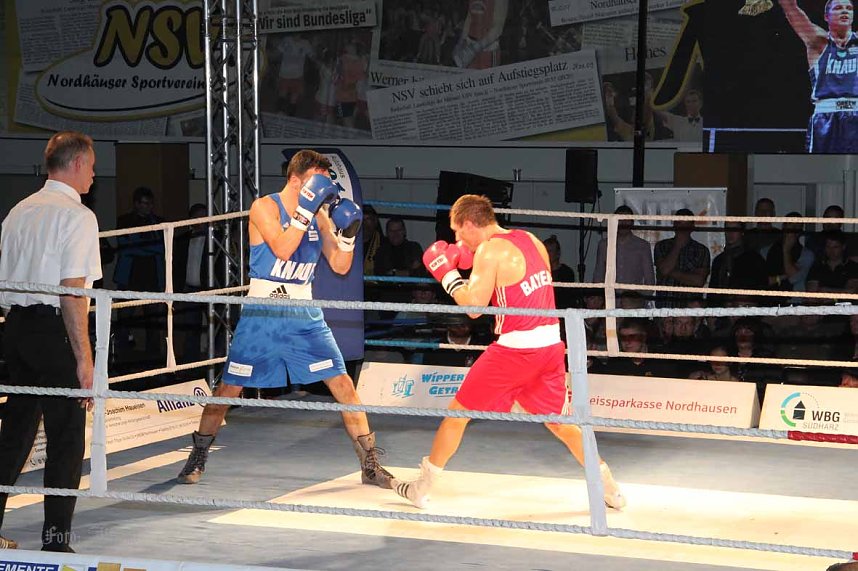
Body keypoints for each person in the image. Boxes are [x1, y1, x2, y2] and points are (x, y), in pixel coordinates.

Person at [391, 194, 625, 511]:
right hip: (550, 346)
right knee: (562, 424)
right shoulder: (531, 240)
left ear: (471, 223)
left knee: (456, 415)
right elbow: (523, 284)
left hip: (515, 350)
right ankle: (610, 488)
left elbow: (473, 307)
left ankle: (421, 489)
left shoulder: (489, 250)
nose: (458, 241)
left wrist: (447, 273)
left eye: (459, 233)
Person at [176, 150, 394, 489]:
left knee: (344, 385)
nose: (326, 188)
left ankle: (370, 465)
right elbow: (281, 248)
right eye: (320, 180)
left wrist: (348, 235)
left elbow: (339, 265)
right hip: (263, 314)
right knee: (228, 389)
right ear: (298, 178)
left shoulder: (320, 217)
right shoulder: (264, 207)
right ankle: (199, 453)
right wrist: (306, 210)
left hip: (304, 314)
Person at [0, 131, 101, 552]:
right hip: (53, 331)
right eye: (92, 166)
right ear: (76, 164)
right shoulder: (77, 216)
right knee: (66, 438)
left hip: (15, 330)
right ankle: (56, 541)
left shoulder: (19, 211)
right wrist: (85, 359)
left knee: (14, 435)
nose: (95, 176)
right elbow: (72, 290)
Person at [778, 0, 858, 153]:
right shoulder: (818, 42)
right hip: (825, 118)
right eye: (838, 8)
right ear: (827, 16)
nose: (845, 11)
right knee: (820, 170)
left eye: (849, 8)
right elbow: (790, 7)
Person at [113, 186, 166, 360]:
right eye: (144, 203)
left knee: (153, 324)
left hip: (152, 280)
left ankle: (154, 361)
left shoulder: (159, 222)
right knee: (124, 321)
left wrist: (140, 247)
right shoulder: (124, 221)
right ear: (136, 204)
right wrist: (147, 248)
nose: (147, 207)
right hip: (129, 279)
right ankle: (121, 360)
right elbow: (126, 247)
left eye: (150, 203)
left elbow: (162, 248)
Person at [653, 208, 711, 308]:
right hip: (665, 306)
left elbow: (699, 281)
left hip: (690, 308)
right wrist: (678, 246)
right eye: (680, 223)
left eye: (686, 224)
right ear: (674, 225)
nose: (683, 228)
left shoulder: (702, 250)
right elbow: (664, 270)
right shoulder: (661, 246)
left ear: (692, 226)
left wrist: (671, 272)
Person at [452, 0, 509, 69]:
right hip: (469, 47)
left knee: (485, 78)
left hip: (488, 50)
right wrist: (461, 41)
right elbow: (469, 17)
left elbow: (498, 28)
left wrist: (475, 48)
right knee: (469, 78)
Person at [542, 235, 577, 309]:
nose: (547, 254)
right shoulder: (540, 273)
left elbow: (568, 298)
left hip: (562, 312)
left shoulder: (567, 273)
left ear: (557, 253)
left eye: (550, 251)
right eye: (545, 251)